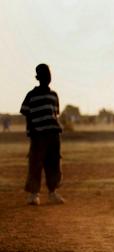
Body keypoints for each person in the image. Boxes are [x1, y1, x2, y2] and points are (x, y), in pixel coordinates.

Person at [20, 64, 65, 205]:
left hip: (53, 134)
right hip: (38, 135)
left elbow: (55, 114)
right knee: (35, 163)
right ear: (38, 77)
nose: (47, 77)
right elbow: (26, 113)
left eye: (49, 74)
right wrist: (30, 131)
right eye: (44, 74)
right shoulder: (31, 95)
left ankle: (53, 193)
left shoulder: (54, 95)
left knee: (53, 163)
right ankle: (34, 195)